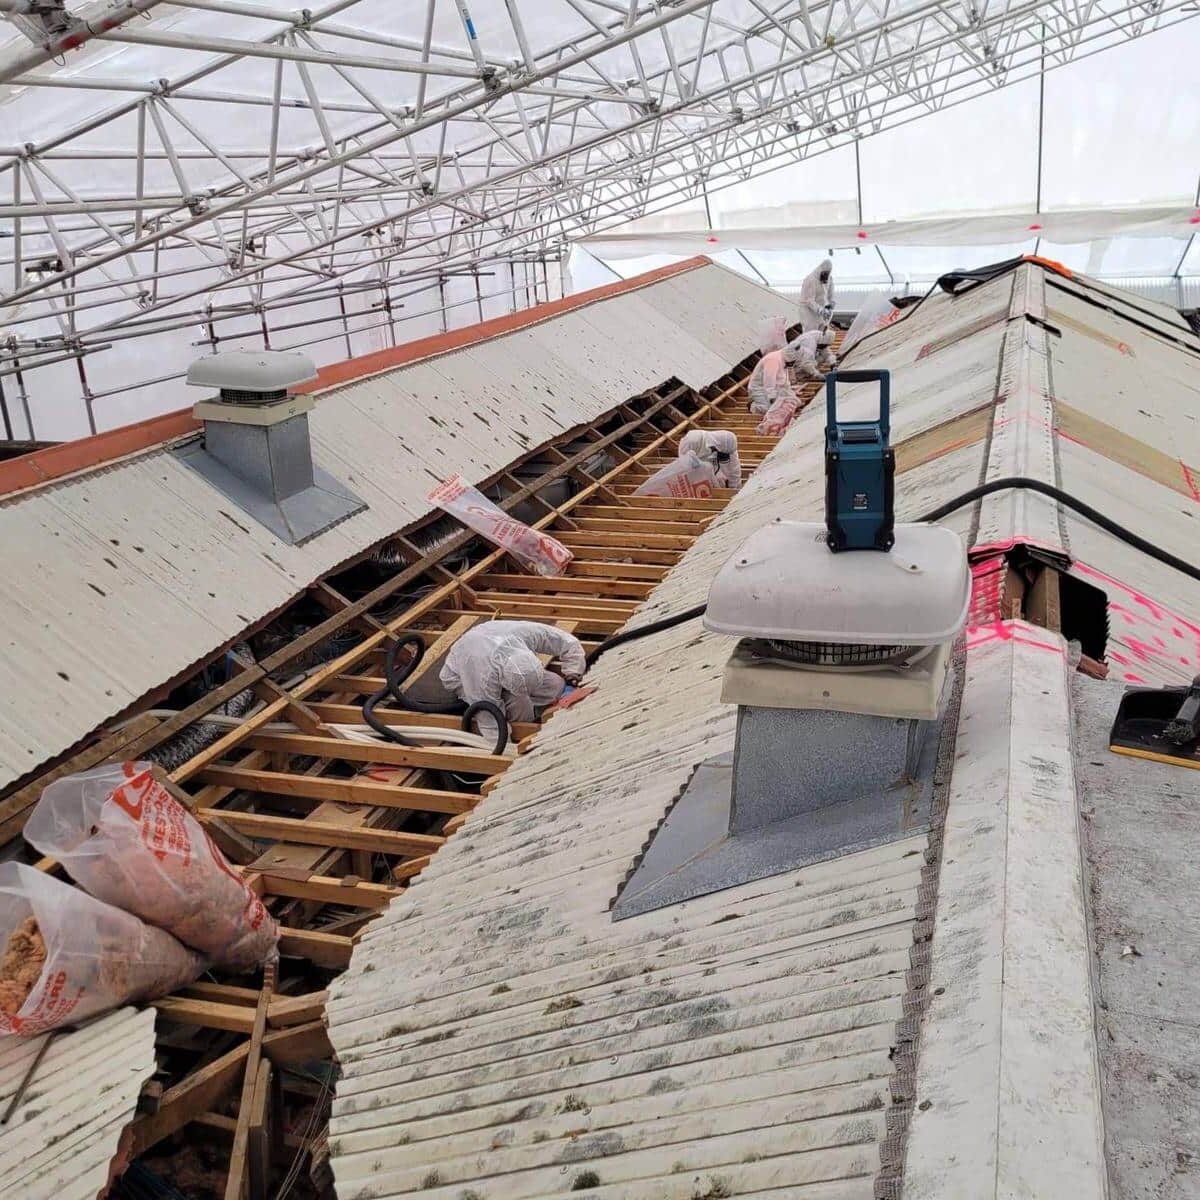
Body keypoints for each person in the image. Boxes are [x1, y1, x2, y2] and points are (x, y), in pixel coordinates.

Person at [440, 620, 587, 739]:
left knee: (555, 684)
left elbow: (569, 643)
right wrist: (505, 746)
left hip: (489, 642)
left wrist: (573, 673)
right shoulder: (481, 676)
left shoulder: (526, 635)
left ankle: (532, 711)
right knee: (520, 704)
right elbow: (488, 717)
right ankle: (522, 728)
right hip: (459, 676)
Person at [747, 343, 798, 414]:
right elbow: (769, 381)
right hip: (760, 389)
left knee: (793, 403)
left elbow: (783, 378)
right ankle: (753, 406)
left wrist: (788, 390)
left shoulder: (784, 358)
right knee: (769, 409)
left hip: (776, 388)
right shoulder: (773, 360)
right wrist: (772, 397)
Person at [799, 258, 834, 332]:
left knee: (820, 334)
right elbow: (809, 301)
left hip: (820, 311)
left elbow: (830, 295)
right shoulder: (810, 279)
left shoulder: (829, 278)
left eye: (827, 274)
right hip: (808, 312)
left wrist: (830, 305)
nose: (825, 277)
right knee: (810, 334)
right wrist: (821, 310)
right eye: (825, 273)